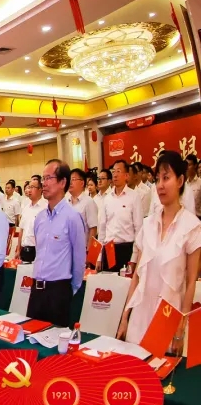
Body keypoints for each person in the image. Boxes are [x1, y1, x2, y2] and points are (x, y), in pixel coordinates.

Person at [115, 151, 201, 353]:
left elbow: (191, 282)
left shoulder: (192, 226)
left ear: (180, 181)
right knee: (136, 366)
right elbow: (137, 277)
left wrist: (181, 327)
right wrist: (125, 317)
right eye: (157, 179)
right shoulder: (148, 224)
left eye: (166, 178)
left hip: (167, 316)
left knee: (160, 367)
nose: (160, 185)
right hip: (140, 313)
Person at [28, 160, 88, 328]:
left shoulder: (72, 217)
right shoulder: (40, 218)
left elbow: (79, 260)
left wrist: (67, 291)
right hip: (36, 290)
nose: (44, 183)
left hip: (58, 292)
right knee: (31, 336)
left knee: (55, 341)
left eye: (49, 178)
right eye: (43, 178)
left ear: (62, 182)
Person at [102, 160, 144, 272]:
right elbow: (102, 228)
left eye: (118, 171)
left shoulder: (134, 197)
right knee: (107, 281)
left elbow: (139, 228)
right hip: (109, 248)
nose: (115, 175)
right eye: (113, 171)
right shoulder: (107, 199)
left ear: (126, 176)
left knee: (125, 281)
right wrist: (99, 256)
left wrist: (134, 257)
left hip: (127, 248)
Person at [17, 179, 46, 263]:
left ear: (40, 189)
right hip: (24, 250)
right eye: (29, 187)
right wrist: (18, 250)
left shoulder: (45, 208)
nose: (29, 190)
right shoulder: (26, 208)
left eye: (32, 187)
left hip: (38, 251)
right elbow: (21, 230)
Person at [67, 168, 98, 239]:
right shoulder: (67, 202)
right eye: (69, 179)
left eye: (73, 179)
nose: (70, 182)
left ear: (82, 183)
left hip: (83, 245)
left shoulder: (89, 202)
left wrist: (89, 246)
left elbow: (93, 229)